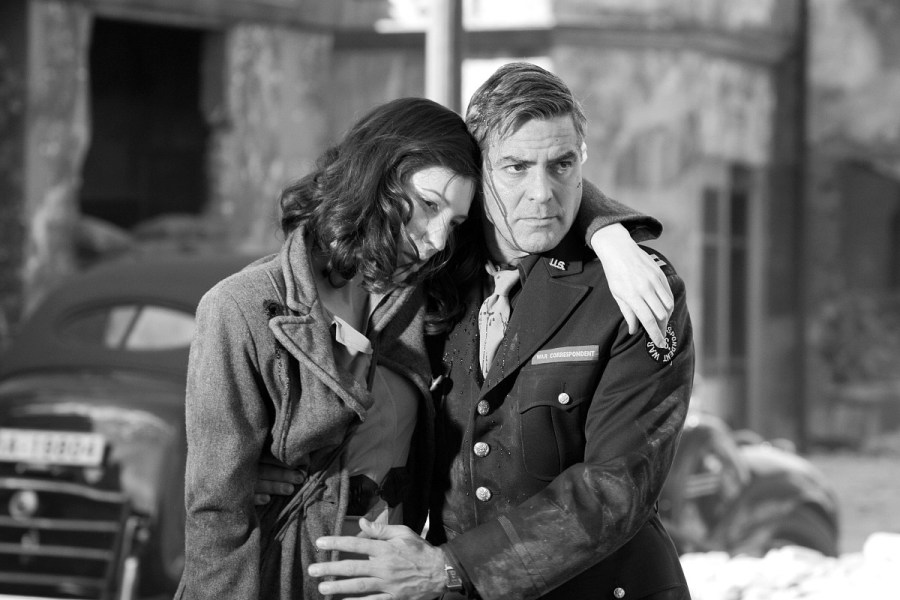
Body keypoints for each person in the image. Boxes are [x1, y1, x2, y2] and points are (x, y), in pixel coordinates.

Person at [177, 95, 671, 600]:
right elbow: (217, 517)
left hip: (403, 585)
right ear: (376, 176)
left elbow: (537, 191)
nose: (437, 239)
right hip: (288, 578)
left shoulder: (422, 292)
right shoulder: (240, 308)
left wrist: (610, 234)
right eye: (429, 206)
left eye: (454, 222)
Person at [306, 63, 695, 600]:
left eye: (562, 165)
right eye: (515, 167)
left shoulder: (635, 287)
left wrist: (448, 569)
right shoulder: (432, 268)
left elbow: (616, 487)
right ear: (478, 168)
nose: (543, 193)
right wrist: (284, 477)